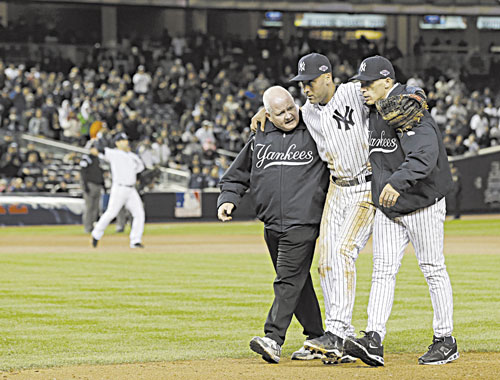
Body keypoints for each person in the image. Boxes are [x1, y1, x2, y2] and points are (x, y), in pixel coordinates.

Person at [251, 53, 376, 362]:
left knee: (342, 253)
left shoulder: (351, 92)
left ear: (328, 78)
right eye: (302, 83)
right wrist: (262, 111)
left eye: (310, 82)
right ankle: (331, 335)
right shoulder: (307, 112)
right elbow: (283, 111)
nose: (305, 88)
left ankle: (339, 333)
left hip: (365, 184)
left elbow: (380, 92)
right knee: (325, 263)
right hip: (337, 187)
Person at [344, 55, 458, 366]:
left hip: (421, 203)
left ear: (387, 82)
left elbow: (425, 153)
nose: (363, 89)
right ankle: (373, 337)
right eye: (361, 83)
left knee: (433, 269)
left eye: (368, 84)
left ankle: (445, 339)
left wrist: (396, 182)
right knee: (382, 271)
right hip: (390, 208)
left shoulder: (406, 105)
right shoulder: (374, 107)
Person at [218, 86, 329, 364]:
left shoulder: (315, 128)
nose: (289, 115)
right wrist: (228, 199)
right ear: (268, 114)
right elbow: (237, 173)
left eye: (291, 108)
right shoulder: (260, 134)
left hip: (302, 220)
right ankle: (316, 335)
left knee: (287, 279)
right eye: (280, 112)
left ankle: (273, 338)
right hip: (271, 224)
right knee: (297, 281)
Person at [91, 133, 146, 248]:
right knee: (111, 213)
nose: (125, 142)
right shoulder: (113, 153)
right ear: (117, 143)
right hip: (119, 188)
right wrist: (97, 138)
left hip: (131, 190)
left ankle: (135, 240)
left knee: (139, 213)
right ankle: (96, 233)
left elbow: (140, 168)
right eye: (122, 140)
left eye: (125, 140)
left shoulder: (133, 156)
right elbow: (100, 149)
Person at [79, 143, 105, 233]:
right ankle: (87, 227)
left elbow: (101, 173)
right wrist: (85, 186)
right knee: (89, 207)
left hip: (98, 185)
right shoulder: (87, 158)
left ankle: (93, 226)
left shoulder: (98, 159)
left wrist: (103, 185)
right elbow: (83, 172)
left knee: (96, 208)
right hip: (90, 185)